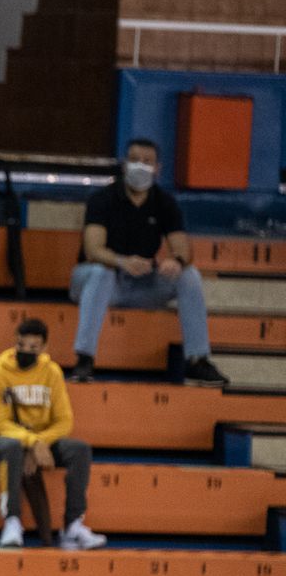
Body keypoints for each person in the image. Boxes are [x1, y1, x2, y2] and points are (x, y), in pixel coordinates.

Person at [69, 138, 229, 388]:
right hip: (98, 281)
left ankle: (197, 359)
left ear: (158, 169)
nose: (140, 166)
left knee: (190, 276)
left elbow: (184, 249)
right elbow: (93, 250)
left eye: (147, 162)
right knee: (102, 273)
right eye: (134, 160)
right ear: (124, 165)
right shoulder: (102, 199)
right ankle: (84, 358)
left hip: (141, 282)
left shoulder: (164, 202)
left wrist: (175, 261)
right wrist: (122, 261)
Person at [0, 318, 106, 550]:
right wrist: (33, 443)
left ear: (44, 348)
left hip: (41, 441)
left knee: (80, 450)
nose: (25, 351)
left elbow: (64, 421)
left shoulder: (52, 372)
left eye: (33, 347)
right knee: (12, 447)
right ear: (15, 343)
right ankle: (12, 521)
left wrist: (40, 443)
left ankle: (73, 525)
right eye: (21, 345)